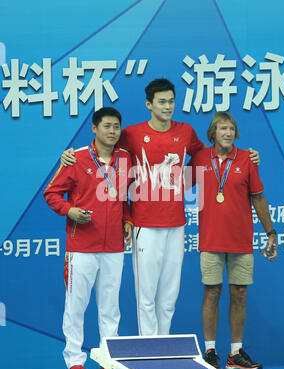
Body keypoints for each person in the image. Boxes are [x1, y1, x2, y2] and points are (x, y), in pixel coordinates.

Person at [60, 78, 260, 337]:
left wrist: (246, 154)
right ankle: (150, 350)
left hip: (176, 224)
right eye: (162, 102)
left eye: (171, 101)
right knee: (147, 296)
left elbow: (209, 154)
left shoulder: (185, 132)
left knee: (169, 295)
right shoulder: (131, 133)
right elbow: (101, 148)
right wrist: (69, 154)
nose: (168, 106)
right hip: (145, 225)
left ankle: (164, 346)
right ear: (149, 104)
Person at [44, 107, 133, 369]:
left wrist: (127, 219)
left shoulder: (126, 159)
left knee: (110, 307)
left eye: (116, 126)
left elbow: (124, 196)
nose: (112, 131)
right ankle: (75, 361)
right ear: (94, 128)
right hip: (81, 246)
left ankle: (108, 360)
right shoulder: (77, 159)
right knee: (76, 305)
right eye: (107, 126)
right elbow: (52, 193)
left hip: (115, 247)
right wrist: (69, 211)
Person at [188, 111, 277, 369]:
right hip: (210, 240)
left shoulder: (248, 159)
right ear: (212, 133)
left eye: (231, 128)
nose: (227, 133)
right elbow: (177, 185)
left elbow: (258, 197)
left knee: (239, 294)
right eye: (222, 128)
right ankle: (210, 351)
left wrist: (270, 232)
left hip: (241, 241)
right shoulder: (201, 158)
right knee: (212, 292)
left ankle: (235, 353)